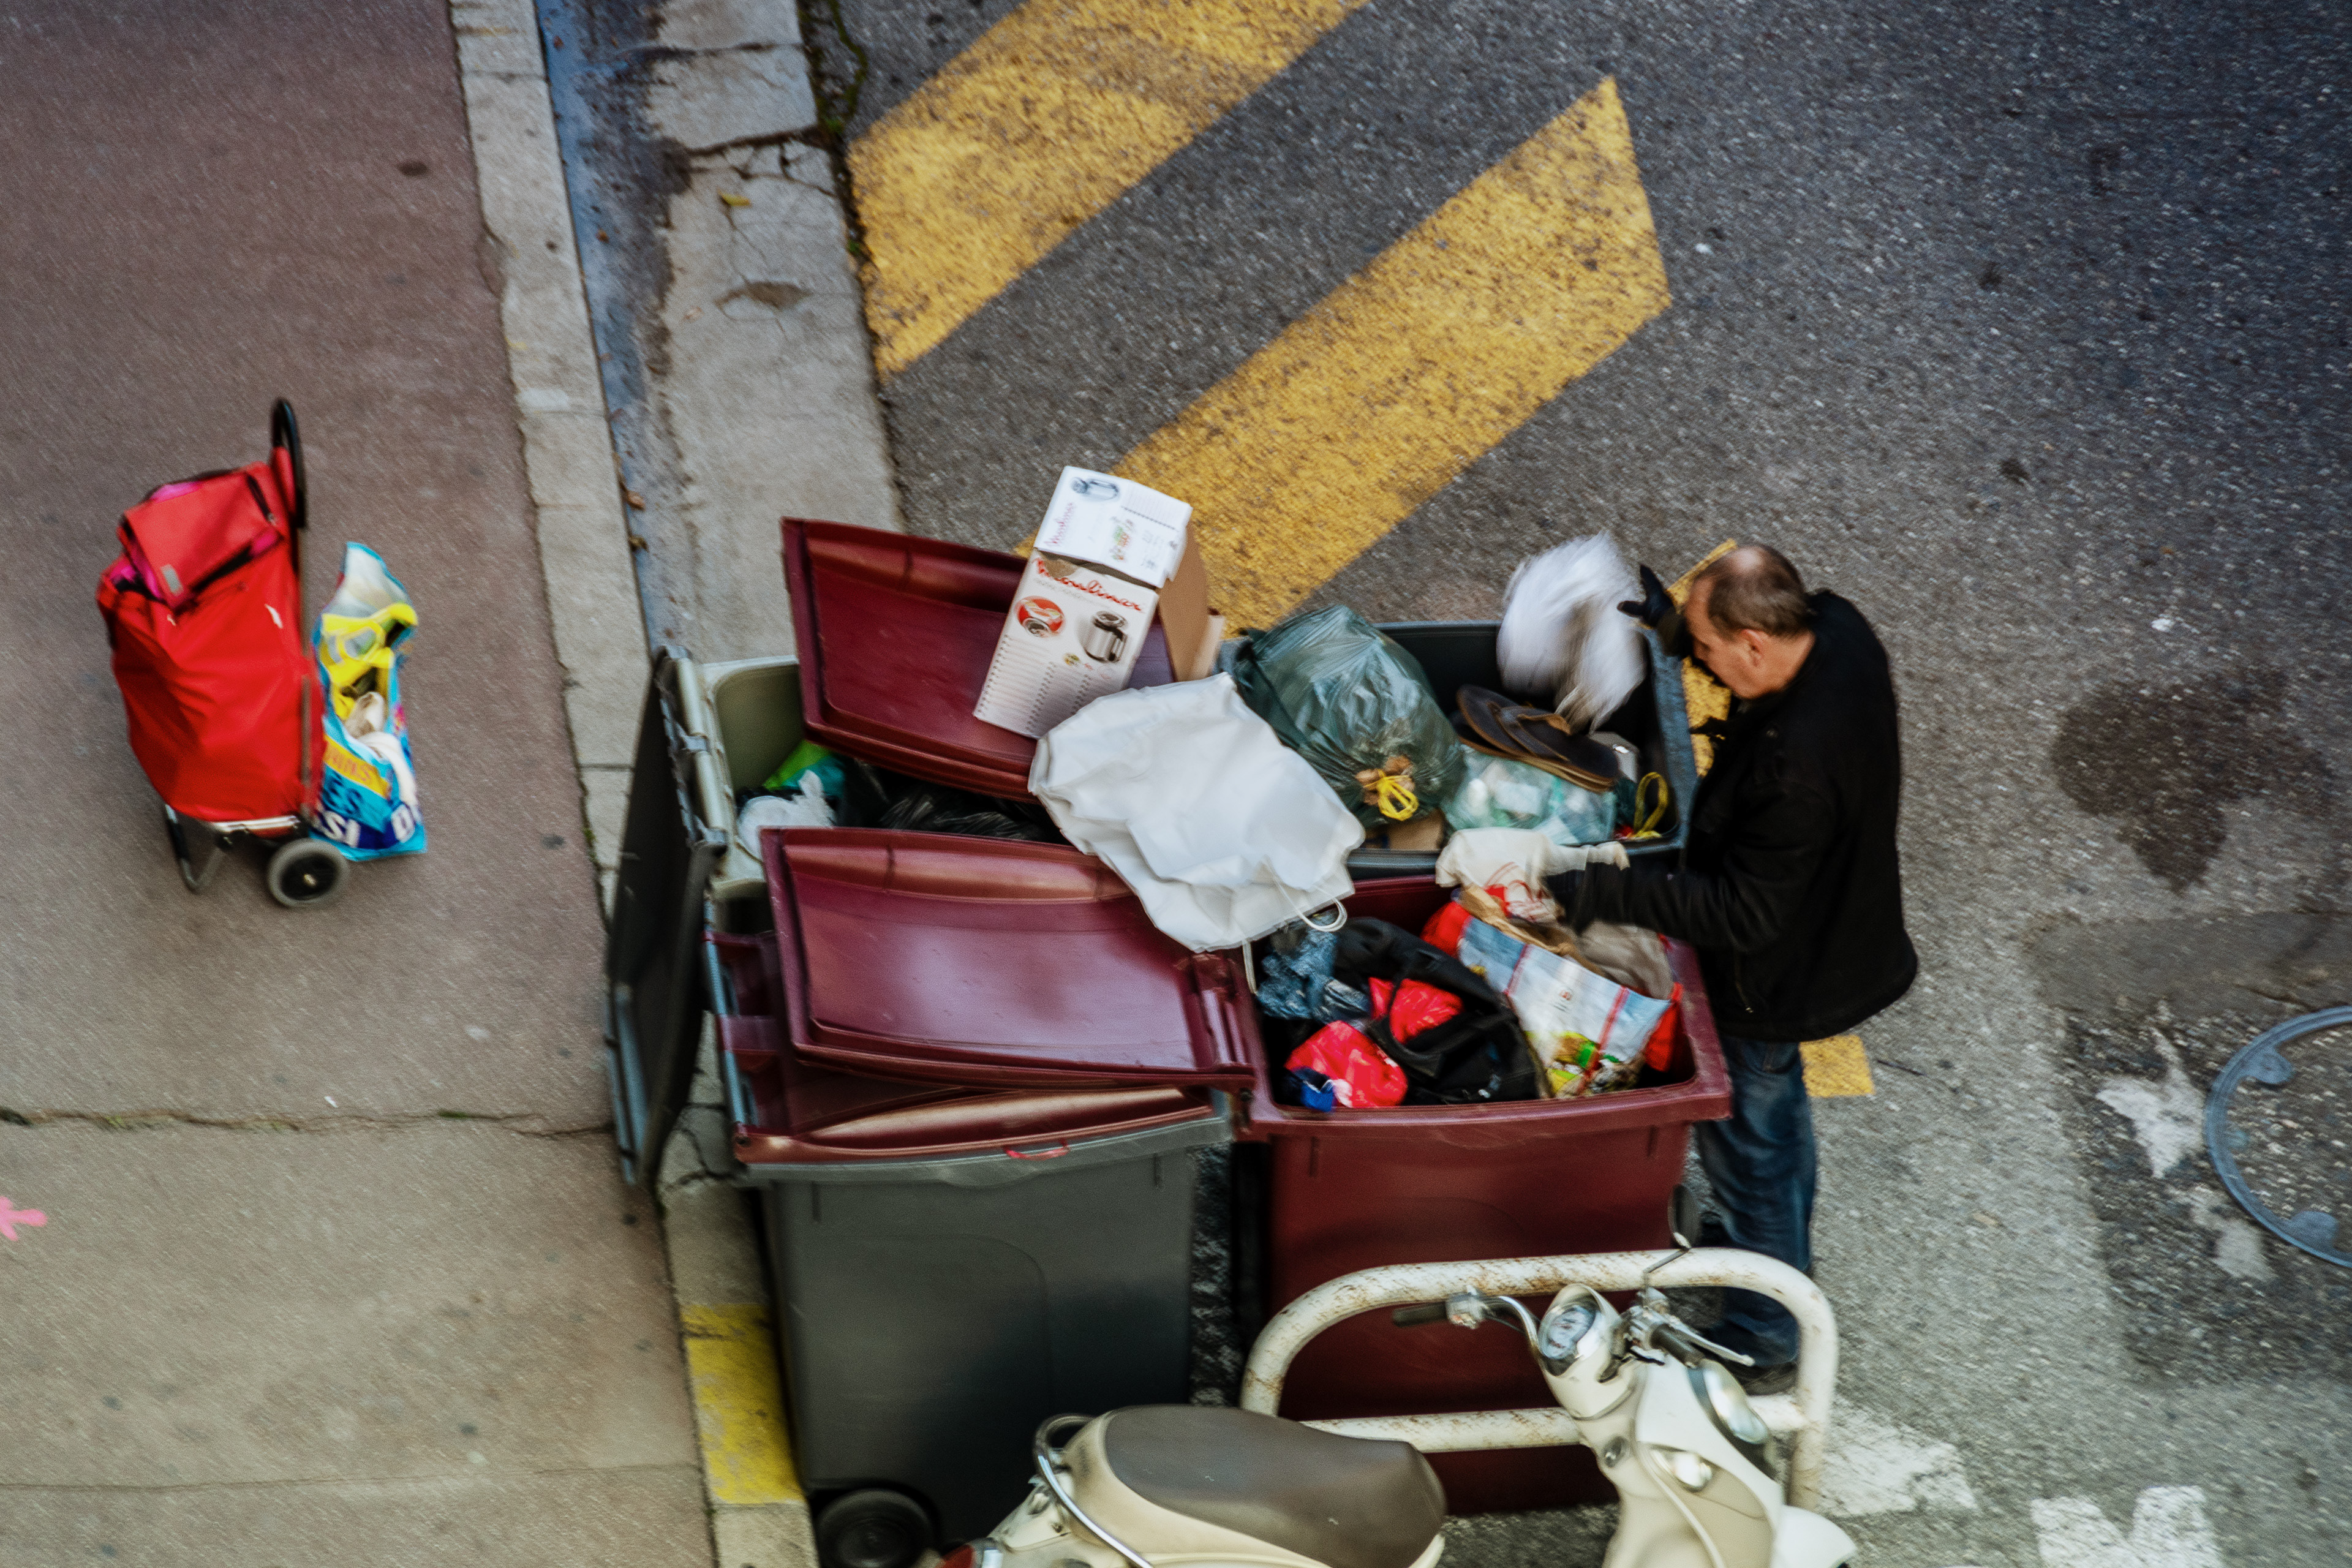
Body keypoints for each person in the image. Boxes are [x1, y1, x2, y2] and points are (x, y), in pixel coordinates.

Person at [1547, 545, 1916, 1384]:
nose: (1703, 663)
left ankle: (1768, 1328)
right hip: (1836, 928)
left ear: (1754, 642)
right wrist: (1677, 634)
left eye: (1710, 648)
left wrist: (1602, 890)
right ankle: (1774, 1261)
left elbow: (1740, 912)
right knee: (1778, 1133)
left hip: (1776, 979)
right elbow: (1734, 645)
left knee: (1749, 1150)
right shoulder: (1838, 628)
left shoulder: (1795, 768)